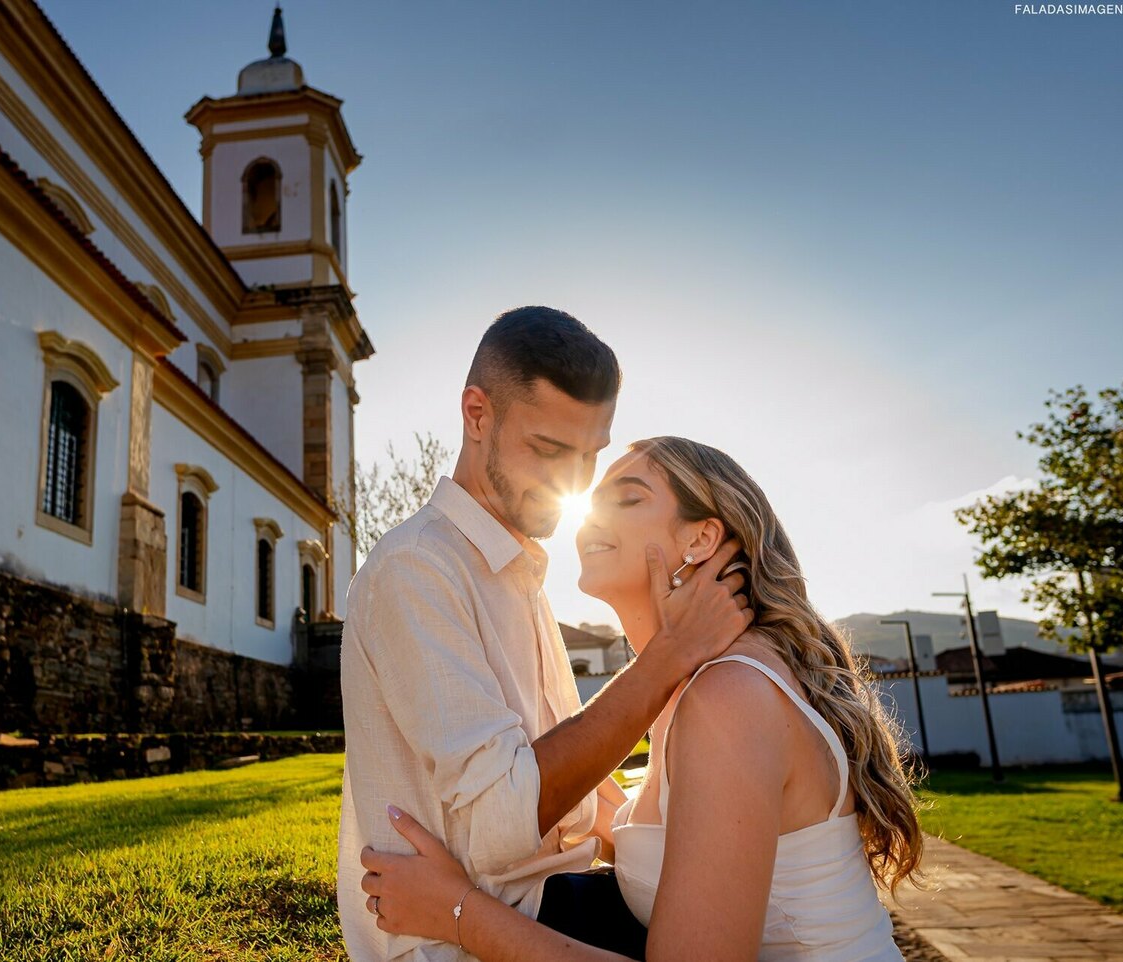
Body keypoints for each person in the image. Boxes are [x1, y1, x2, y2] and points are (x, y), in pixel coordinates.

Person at [359, 437, 924, 962]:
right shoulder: (690, 685)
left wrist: (456, 912)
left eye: (628, 498)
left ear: (700, 539)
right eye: (593, 498)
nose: (591, 515)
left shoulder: (729, 696)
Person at [338, 310, 755, 962]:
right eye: (551, 451)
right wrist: (668, 658)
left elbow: (570, 784)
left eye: (589, 456)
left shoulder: (518, 569)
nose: (573, 483)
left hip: (553, 905)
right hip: (475, 938)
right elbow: (503, 825)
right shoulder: (416, 570)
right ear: (477, 415)